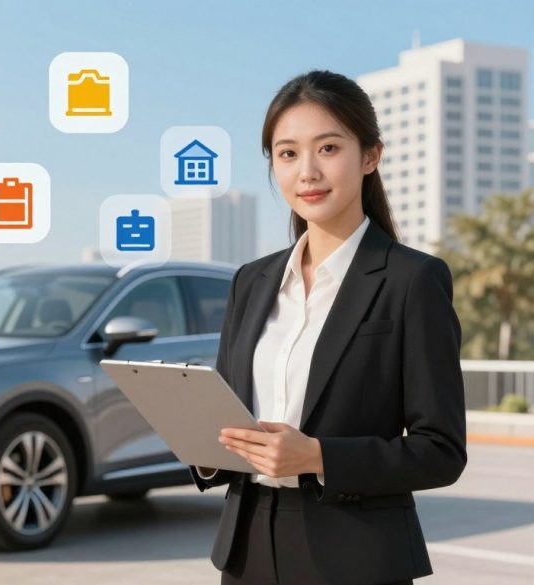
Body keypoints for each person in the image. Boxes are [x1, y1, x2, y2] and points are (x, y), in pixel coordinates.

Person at [191, 70, 467, 584]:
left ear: (370, 157)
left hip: (356, 558)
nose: (307, 172)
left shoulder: (413, 280)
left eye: (328, 148)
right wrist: (206, 452)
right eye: (288, 153)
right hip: (247, 550)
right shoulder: (250, 282)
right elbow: (234, 420)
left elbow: (441, 451)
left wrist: (317, 457)